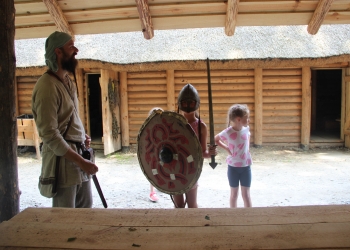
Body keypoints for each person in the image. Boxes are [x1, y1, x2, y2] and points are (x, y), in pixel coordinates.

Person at [32, 31, 98, 208]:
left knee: (86, 212)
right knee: (65, 218)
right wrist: (81, 161)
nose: (76, 50)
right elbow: (49, 134)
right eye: (71, 46)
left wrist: (82, 135)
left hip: (78, 155)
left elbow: (71, 115)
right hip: (63, 163)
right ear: (58, 52)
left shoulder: (68, 82)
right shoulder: (46, 86)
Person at [172, 83, 216, 208]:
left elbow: (202, 153)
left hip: (192, 169)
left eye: (191, 103)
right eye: (185, 103)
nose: (187, 106)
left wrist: (211, 153)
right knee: (178, 205)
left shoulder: (201, 127)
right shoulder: (173, 123)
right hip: (175, 167)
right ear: (180, 103)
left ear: (196, 104)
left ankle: (194, 227)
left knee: (192, 205)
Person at [214, 104, 252, 208]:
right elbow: (215, 139)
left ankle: (250, 217)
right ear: (239, 119)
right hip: (233, 168)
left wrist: (247, 150)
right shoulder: (228, 132)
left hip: (246, 167)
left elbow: (247, 139)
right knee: (234, 194)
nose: (248, 120)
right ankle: (233, 216)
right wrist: (226, 148)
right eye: (247, 118)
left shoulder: (246, 129)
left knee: (246, 195)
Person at [147, 107, 163, 202]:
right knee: (153, 170)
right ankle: (152, 192)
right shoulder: (148, 128)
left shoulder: (163, 126)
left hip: (161, 152)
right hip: (152, 152)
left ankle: (162, 185)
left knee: (162, 169)